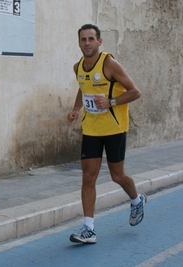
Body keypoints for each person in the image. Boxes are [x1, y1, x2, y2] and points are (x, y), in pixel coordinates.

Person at [67, 24, 146, 244]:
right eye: (83, 39)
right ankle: (88, 228)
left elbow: (135, 92)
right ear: (79, 42)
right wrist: (76, 109)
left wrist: (110, 102)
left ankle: (136, 199)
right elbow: (83, 88)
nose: (87, 43)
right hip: (91, 130)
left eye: (91, 39)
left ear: (99, 41)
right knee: (88, 177)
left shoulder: (110, 64)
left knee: (117, 176)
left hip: (114, 129)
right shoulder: (78, 67)